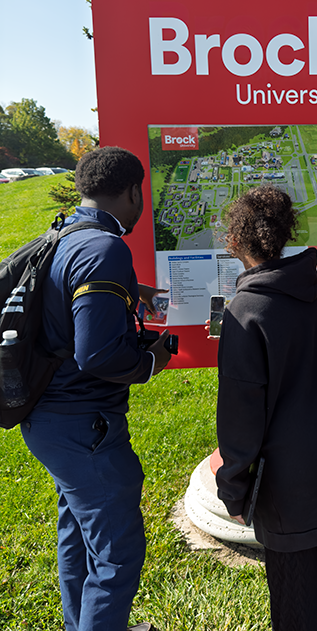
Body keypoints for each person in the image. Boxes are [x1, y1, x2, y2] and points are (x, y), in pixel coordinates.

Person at [20, 146, 172, 631]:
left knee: (78, 533)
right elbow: (99, 356)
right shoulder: (105, 248)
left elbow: (64, 309)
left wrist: (132, 293)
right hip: (83, 426)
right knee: (117, 555)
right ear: (133, 191)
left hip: (48, 417)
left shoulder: (64, 234)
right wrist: (153, 360)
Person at [215, 186, 317, 631]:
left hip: (294, 495)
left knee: (298, 611)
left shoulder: (245, 312)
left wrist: (232, 489)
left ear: (235, 240)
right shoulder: (307, 287)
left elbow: (240, 417)